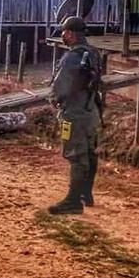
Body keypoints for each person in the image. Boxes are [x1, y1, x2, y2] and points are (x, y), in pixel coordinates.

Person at [48, 16, 102, 215]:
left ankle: (73, 201)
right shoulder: (94, 53)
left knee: (76, 154)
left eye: (63, 32)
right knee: (89, 151)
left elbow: (60, 87)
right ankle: (86, 194)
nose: (62, 35)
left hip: (75, 112)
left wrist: (54, 101)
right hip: (91, 110)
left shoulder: (72, 57)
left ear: (69, 33)